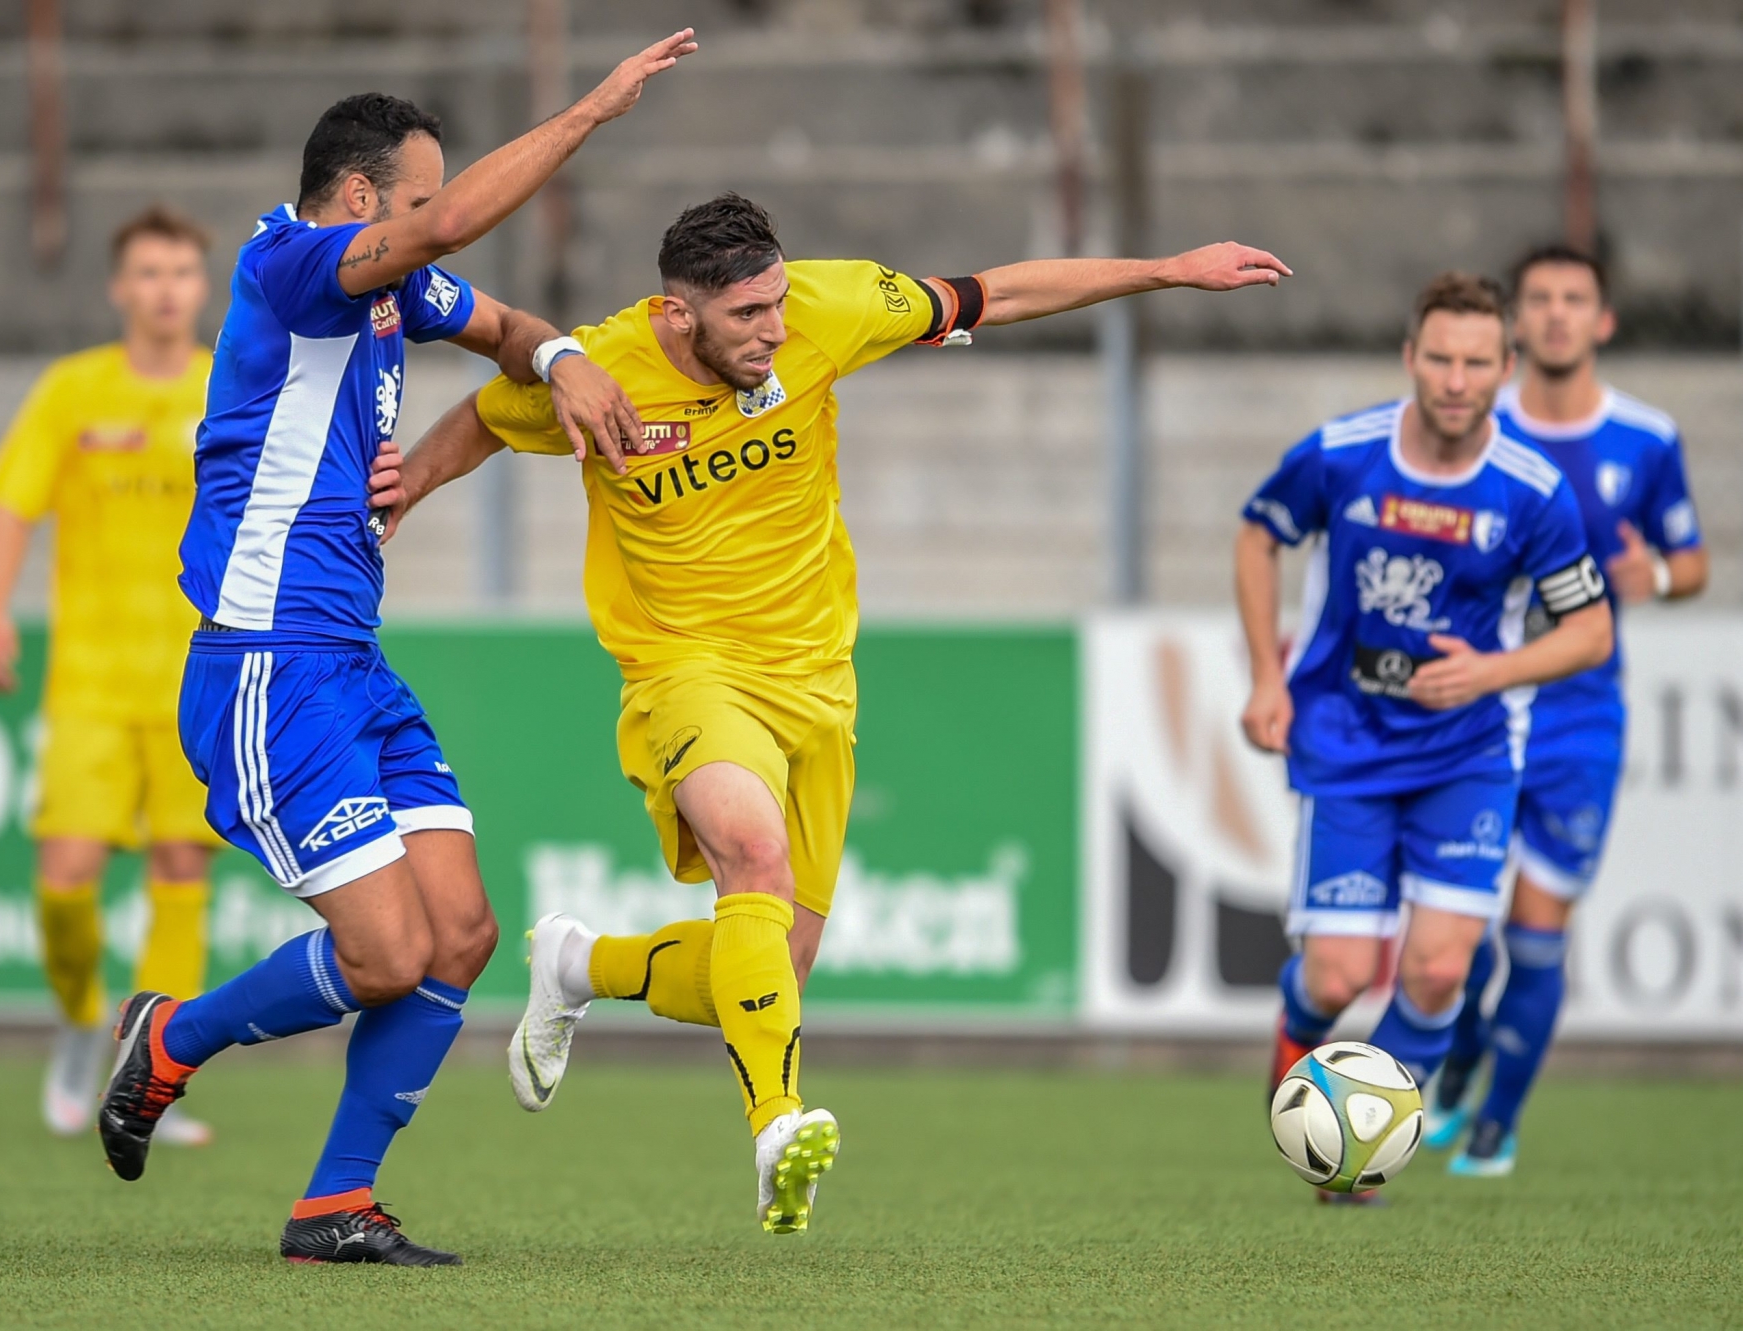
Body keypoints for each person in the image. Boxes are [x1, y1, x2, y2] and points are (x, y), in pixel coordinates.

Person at [374, 192, 1290, 1233]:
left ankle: (581, 963)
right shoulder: (605, 367)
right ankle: (776, 1123)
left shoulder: (832, 305)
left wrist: (1167, 268)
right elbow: (487, 418)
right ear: (678, 315)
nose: (771, 330)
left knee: (769, 974)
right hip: (685, 669)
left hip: (816, 677)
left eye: (775, 303)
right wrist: (408, 487)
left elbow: (997, 291)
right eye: (744, 316)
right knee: (752, 858)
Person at [92, 30, 697, 1267]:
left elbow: (500, 322)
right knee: (383, 955)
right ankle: (171, 1041)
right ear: (361, 200)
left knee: (460, 936)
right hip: (266, 662)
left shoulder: (385, 288)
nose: (435, 219)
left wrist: (565, 356)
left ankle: (333, 1206)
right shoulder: (293, 263)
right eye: (419, 196)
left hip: (350, 663)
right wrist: (584, 114)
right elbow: (441, 241)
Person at [1239, 271, 1615, 1198]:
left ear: (1505, 367)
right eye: (1439, 358)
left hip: (1469, 752)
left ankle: (1359, 1154)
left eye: (1476, 362)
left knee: (1441, 967)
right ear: (1411, 359)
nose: (1456, 378)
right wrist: (1264, 676)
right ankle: (1299, 1049)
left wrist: (1488, 671)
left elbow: (1590, 629)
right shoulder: (1341, 456)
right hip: (1347, 742)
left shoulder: (1532, 492)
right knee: (1335, 978)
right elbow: (1260, 533)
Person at [1426, 246, 1707, 1177]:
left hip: (1581, 713)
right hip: (1475, 707)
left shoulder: (1646, 437)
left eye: (1572, 300)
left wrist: (1657, 575)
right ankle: (1461, 1052)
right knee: (1453, 934)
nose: (1554, 315)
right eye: (1538, 299)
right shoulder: (1470, 427)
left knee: (1536, 936)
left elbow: (1691, 560)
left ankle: (1498, 1122)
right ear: (1515, 327)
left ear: (1604, 320)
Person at [0, 204, 226, 1148]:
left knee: (179, 870)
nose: (165, 289)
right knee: (65, 877)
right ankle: (84, 1019)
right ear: (120, 288)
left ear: (203, 289)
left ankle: (146, 1074)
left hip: (195, 681)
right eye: (148, 273)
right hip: (88, 680)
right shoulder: (72, 390)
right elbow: (11, 505)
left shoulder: (229, 387)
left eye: (180, 273)